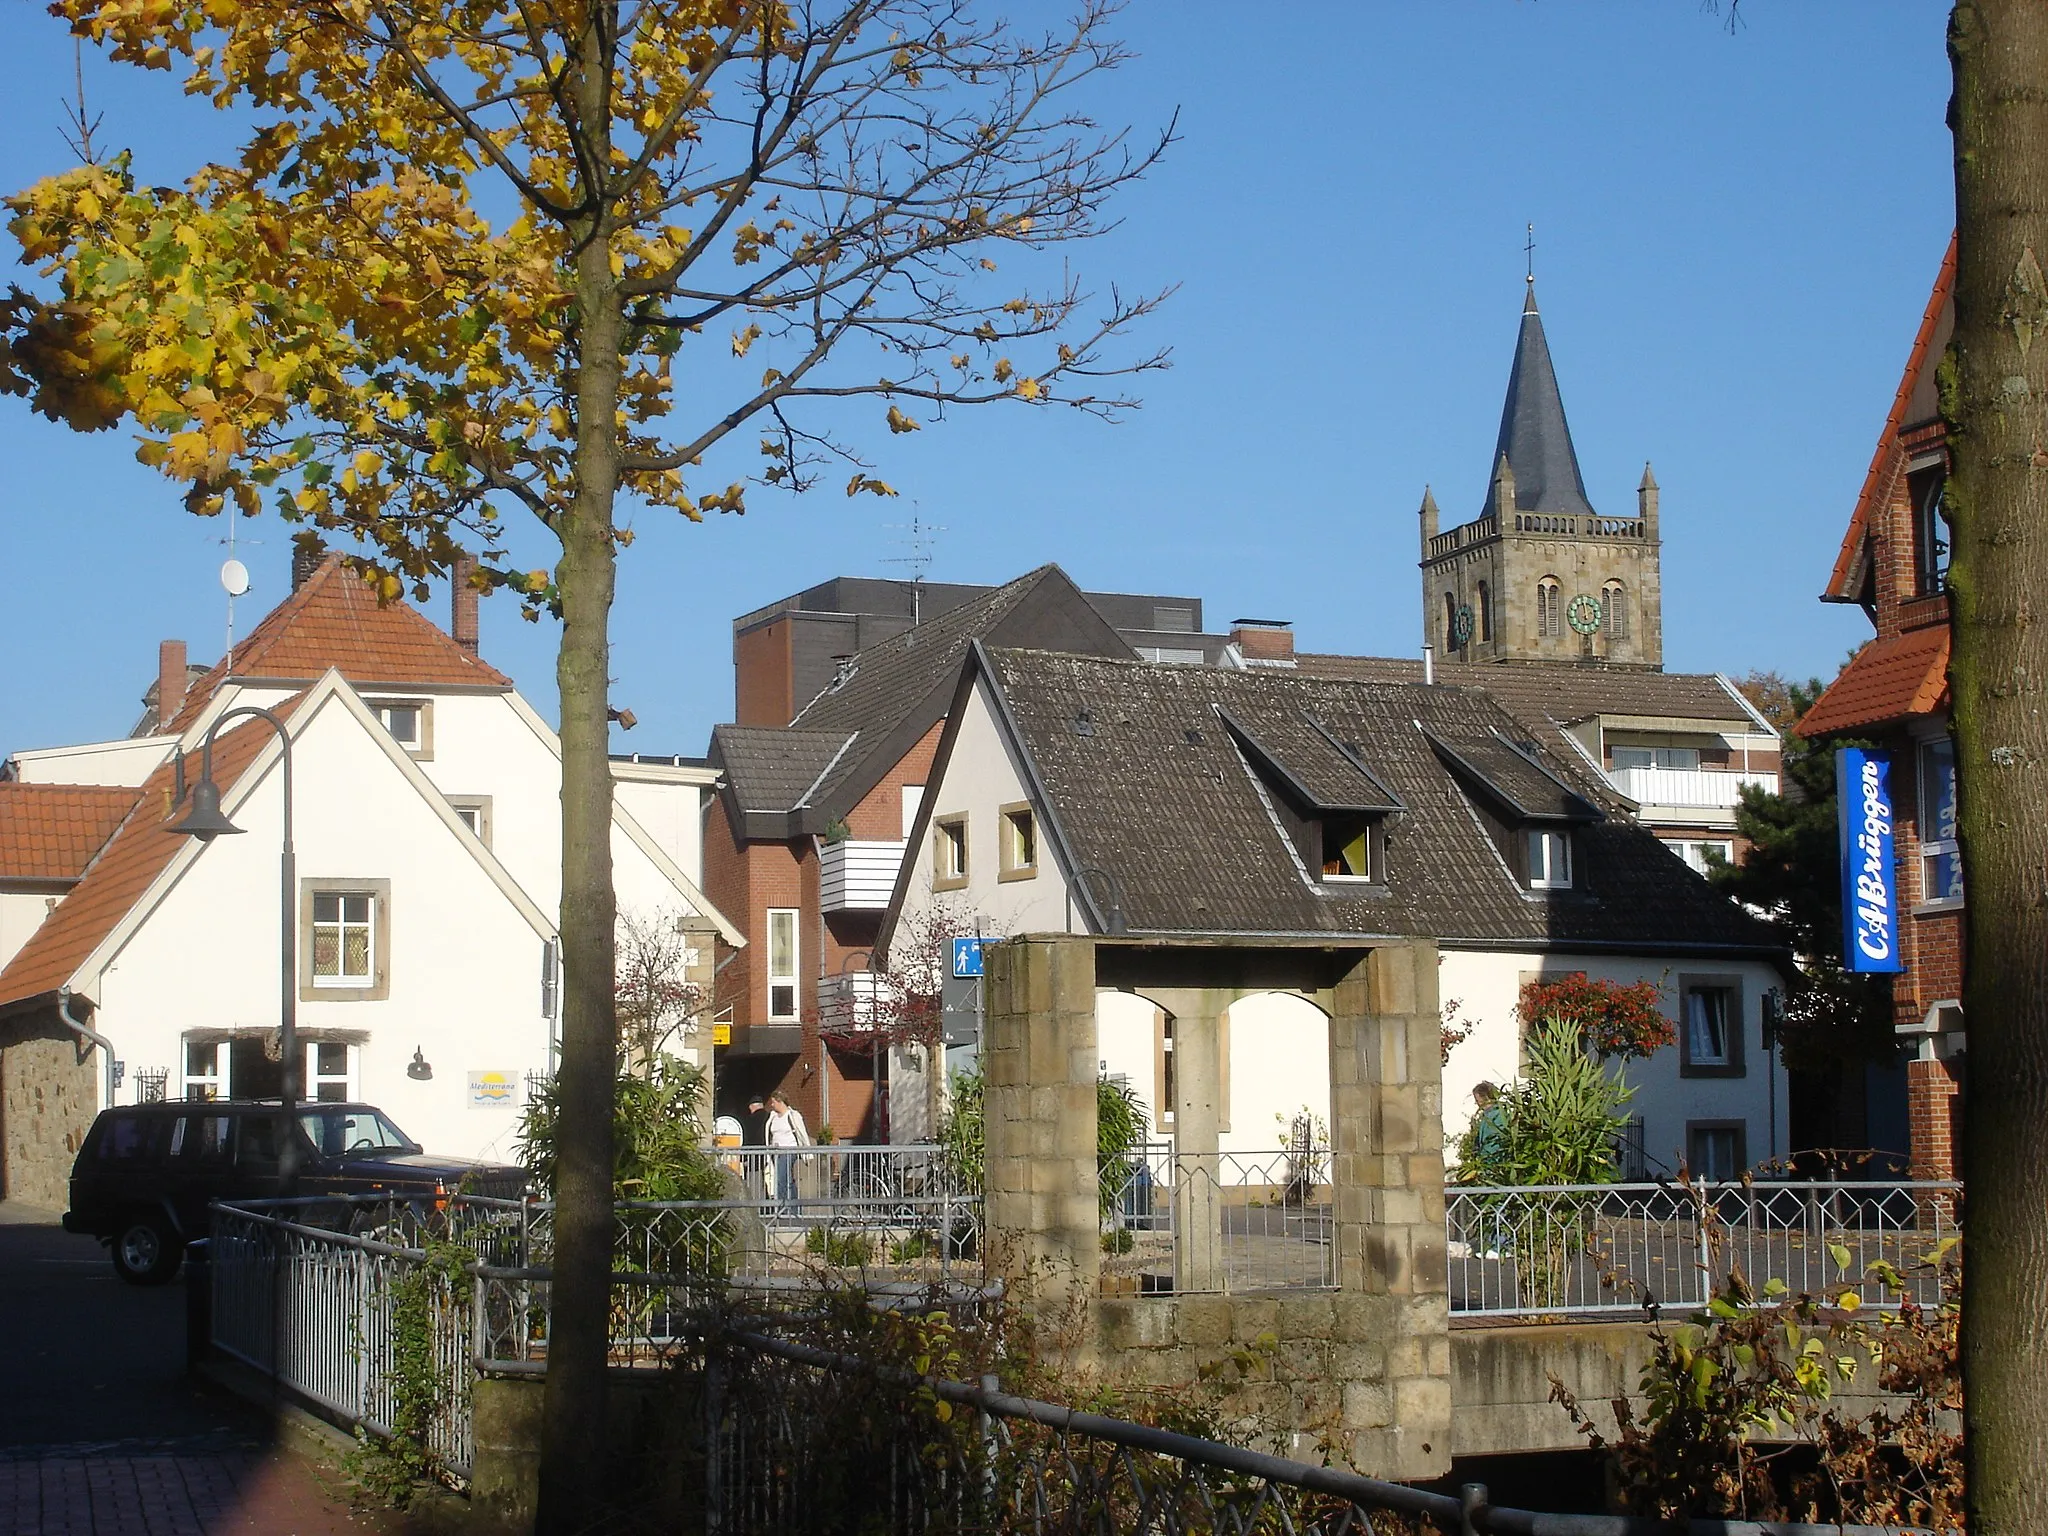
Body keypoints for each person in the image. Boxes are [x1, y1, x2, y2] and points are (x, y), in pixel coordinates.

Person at [762, 1090, 811, 1208]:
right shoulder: (773, 1116)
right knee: (786, 1179)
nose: (772, 1105)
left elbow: (802, 1133)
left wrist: (808, 1151)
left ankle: (783, 1208)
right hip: (776, 1152)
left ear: (780, 1102)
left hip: (789, 1150)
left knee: (781, 1179)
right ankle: (793, 1207)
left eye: (773, 1102)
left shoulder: (793, 1115)